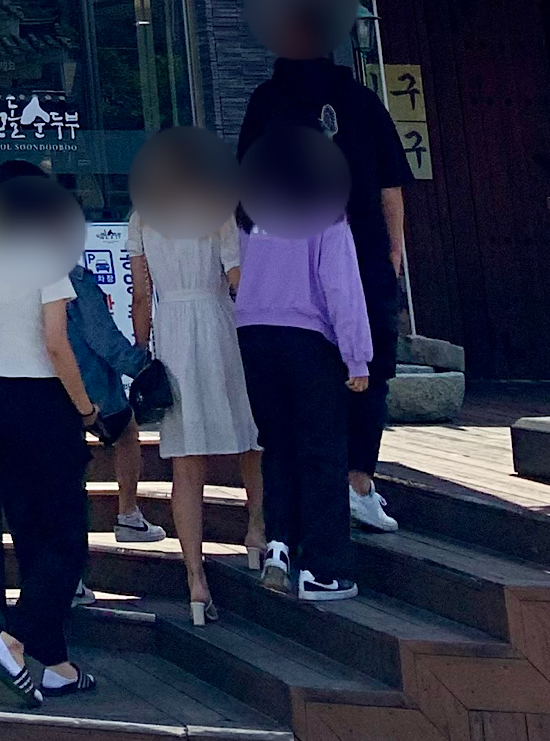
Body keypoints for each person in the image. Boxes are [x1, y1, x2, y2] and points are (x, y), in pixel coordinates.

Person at [239, 0, 410, 532]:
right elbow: (390, 188)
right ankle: (358, 481)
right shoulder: (361, 100)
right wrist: (393, 250)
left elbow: (243, 192)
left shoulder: (267, 101)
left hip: (282, 275)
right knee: (368, 370)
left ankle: (292, 525)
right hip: (357, 255)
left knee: (295, 400)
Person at [0, 235, 102, 705]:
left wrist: (1, 392)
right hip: (46, 398)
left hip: (1, 394)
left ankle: (58, 665)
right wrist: (85, 408)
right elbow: (56, 344)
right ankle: (14, 641)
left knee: (29, 532)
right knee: (66, 538)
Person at [127, 205, 263, 623]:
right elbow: (239, 279)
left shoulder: (142, 217)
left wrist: (144, 349)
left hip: (172, 334)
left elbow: (140, 295)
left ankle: (195, 581)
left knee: (185, 467)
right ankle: (256, 532)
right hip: (220, 326)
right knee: (251, 439)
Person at [234, 200, 371, 604]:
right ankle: (322, 571)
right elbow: (341, 285)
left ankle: (278, 546)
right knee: (322, 452)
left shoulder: (248, 210)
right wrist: (356, 355)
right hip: (308, 339)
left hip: (254, 336)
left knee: (276, 446)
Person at [62, 259, 162, 546]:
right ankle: (128, 515)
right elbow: (103, 338)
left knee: (65, 465)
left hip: (39, 384)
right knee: (128, 433)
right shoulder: (74, 277)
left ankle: (72, 560)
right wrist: (143, 369)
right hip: (90, 384)